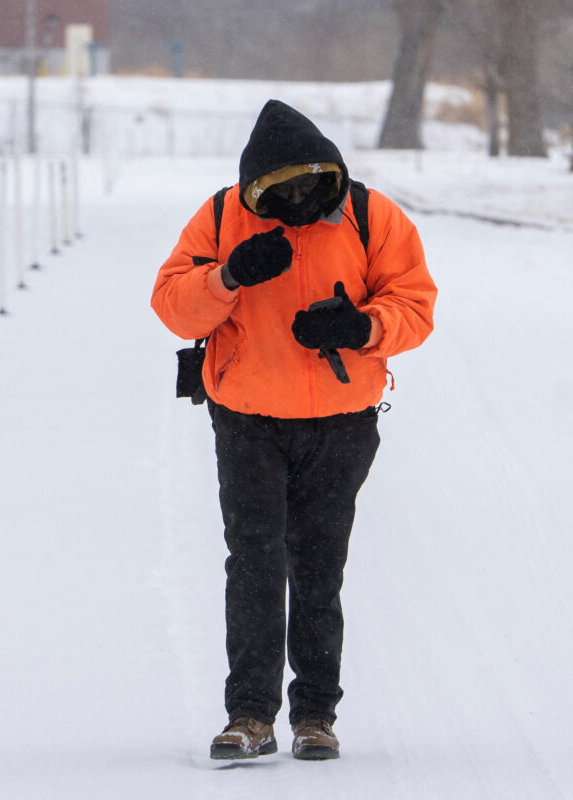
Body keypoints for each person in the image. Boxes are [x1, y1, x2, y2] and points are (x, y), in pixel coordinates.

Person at [151, 99, 436, 761]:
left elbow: (414, 304)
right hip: (247, 422)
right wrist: (229, 275)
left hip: (341, 426)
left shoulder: (373, 216)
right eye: (281, 194)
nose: (300, 202)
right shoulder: (223, 217)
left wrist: (360, 328)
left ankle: (316, 717)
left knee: (316, 567)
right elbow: (173, 306)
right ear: (256, 189)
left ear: (331, 175)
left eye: (312, 188)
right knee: (253, 565)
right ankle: (249, 716)